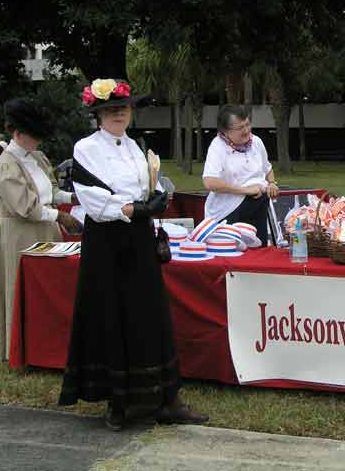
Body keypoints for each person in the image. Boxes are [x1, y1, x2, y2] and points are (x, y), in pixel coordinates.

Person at [58, 78, 207, 430]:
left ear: (130, 112)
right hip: (108, 242)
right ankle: (118, 403)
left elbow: (151, 182)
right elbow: (94, 200)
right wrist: (132, 209)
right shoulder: (86, 148)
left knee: (151, 313)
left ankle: (168, 400)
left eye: (122, 109)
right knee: (113, 314)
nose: (117, 115)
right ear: (98, 115)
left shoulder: (135, 146)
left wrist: (156, 197)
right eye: (110, 110)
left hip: (138, 239)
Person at [0, 99, 81, 361]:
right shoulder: (6, 165)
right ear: (18, 134)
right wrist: (61, 217)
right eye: (35, 136)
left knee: (48, 289)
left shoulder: (37, 157)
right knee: (20, 288)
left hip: (46, 231)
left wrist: (74, 198)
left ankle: (48, 342)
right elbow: (26, 207)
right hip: (21, 234)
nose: (39, 142)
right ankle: (18, 347)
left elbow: (48, 190)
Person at [202, 105, 279, 244]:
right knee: (233, 253)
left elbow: (267, 168)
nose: (246, 131)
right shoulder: (218, 146)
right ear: (225, 131)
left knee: (258, 251)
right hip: (230, 210)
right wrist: (245, 191)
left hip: (258, 207)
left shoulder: (256, 142)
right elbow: (210, 182)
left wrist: (272, 183)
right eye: (240, 128)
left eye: (248, 125)